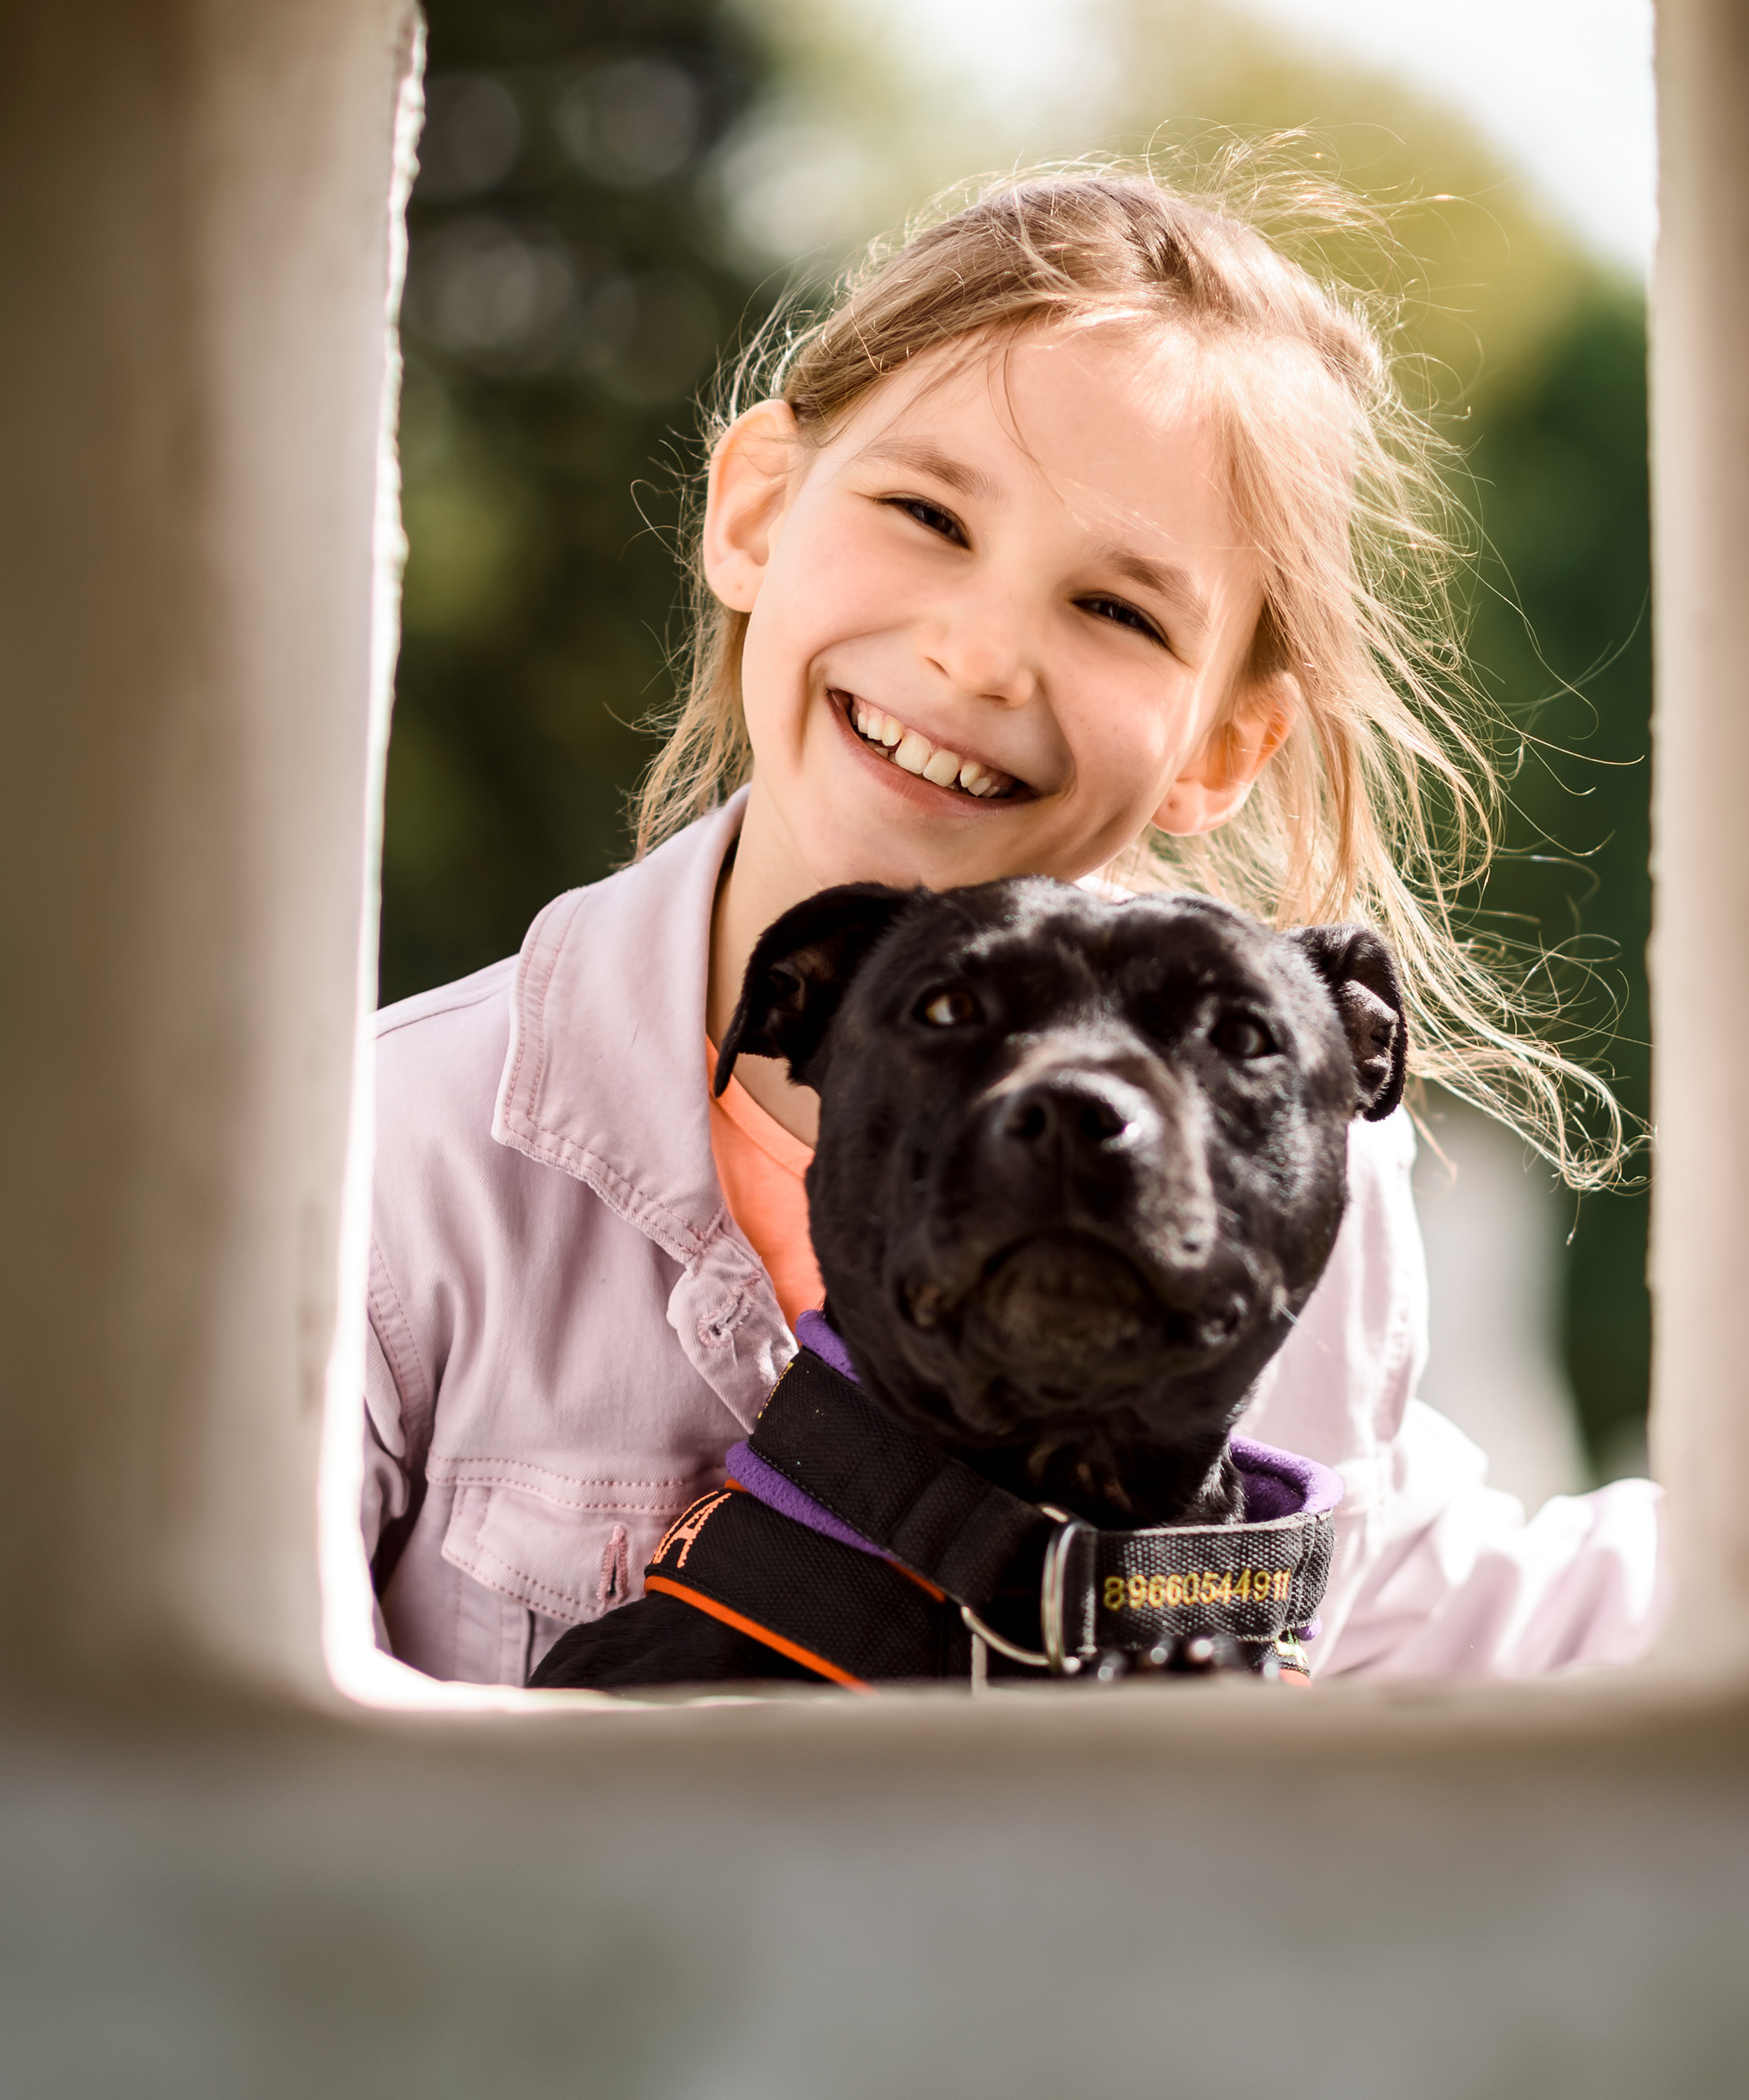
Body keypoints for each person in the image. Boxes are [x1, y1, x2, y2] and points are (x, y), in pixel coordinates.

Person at [364, 168, 1664, 1688]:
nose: (981, 652)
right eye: (927, 513)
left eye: (1119, 610)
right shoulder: (396, 1154)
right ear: (758, 511)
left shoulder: (1294, 1161)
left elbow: (1383, 1593)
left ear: (1224, 746)